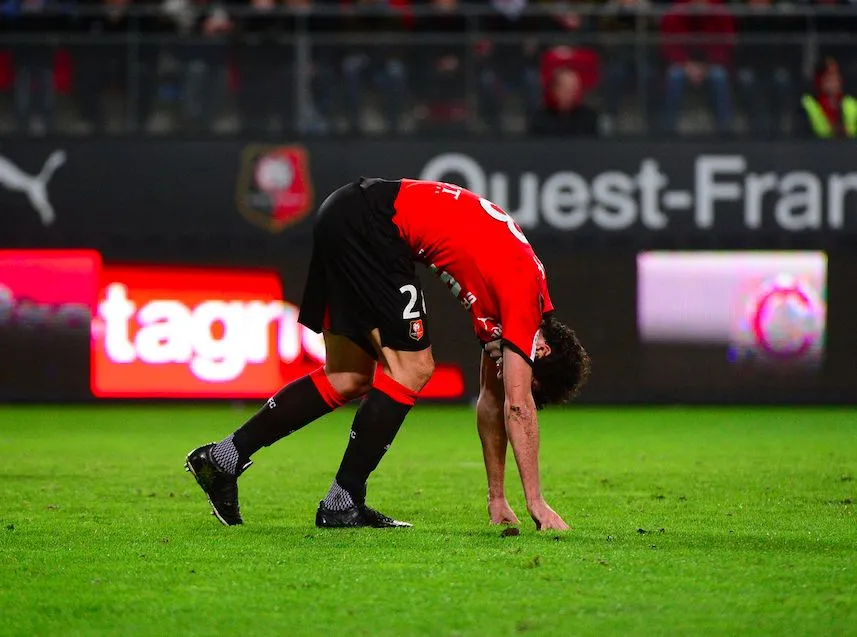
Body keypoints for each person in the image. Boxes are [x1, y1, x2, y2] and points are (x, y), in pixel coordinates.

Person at [186, 178, 590, 531]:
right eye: (527, 376)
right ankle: (342, 503)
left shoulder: (507, 312)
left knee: (347, 375)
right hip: (372, 228)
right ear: (543, 348)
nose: (510, 375)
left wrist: (497, 497)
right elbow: (517, 407)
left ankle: (223, 458)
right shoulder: (523, 301)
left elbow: (492, 402)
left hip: (346, 212)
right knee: (413, 366)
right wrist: (536, 502)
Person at [530, 66, 599, 137]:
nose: (572, 94)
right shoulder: (540, 118)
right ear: (555, 90)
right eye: (566, 89)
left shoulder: (588, 117)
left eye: (574, 89)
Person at [798, 57, 857, 139]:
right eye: (829, 76)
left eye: (836, 75)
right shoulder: (808, 103)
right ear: (819, 79)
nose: (833, 81)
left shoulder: (850, 103)